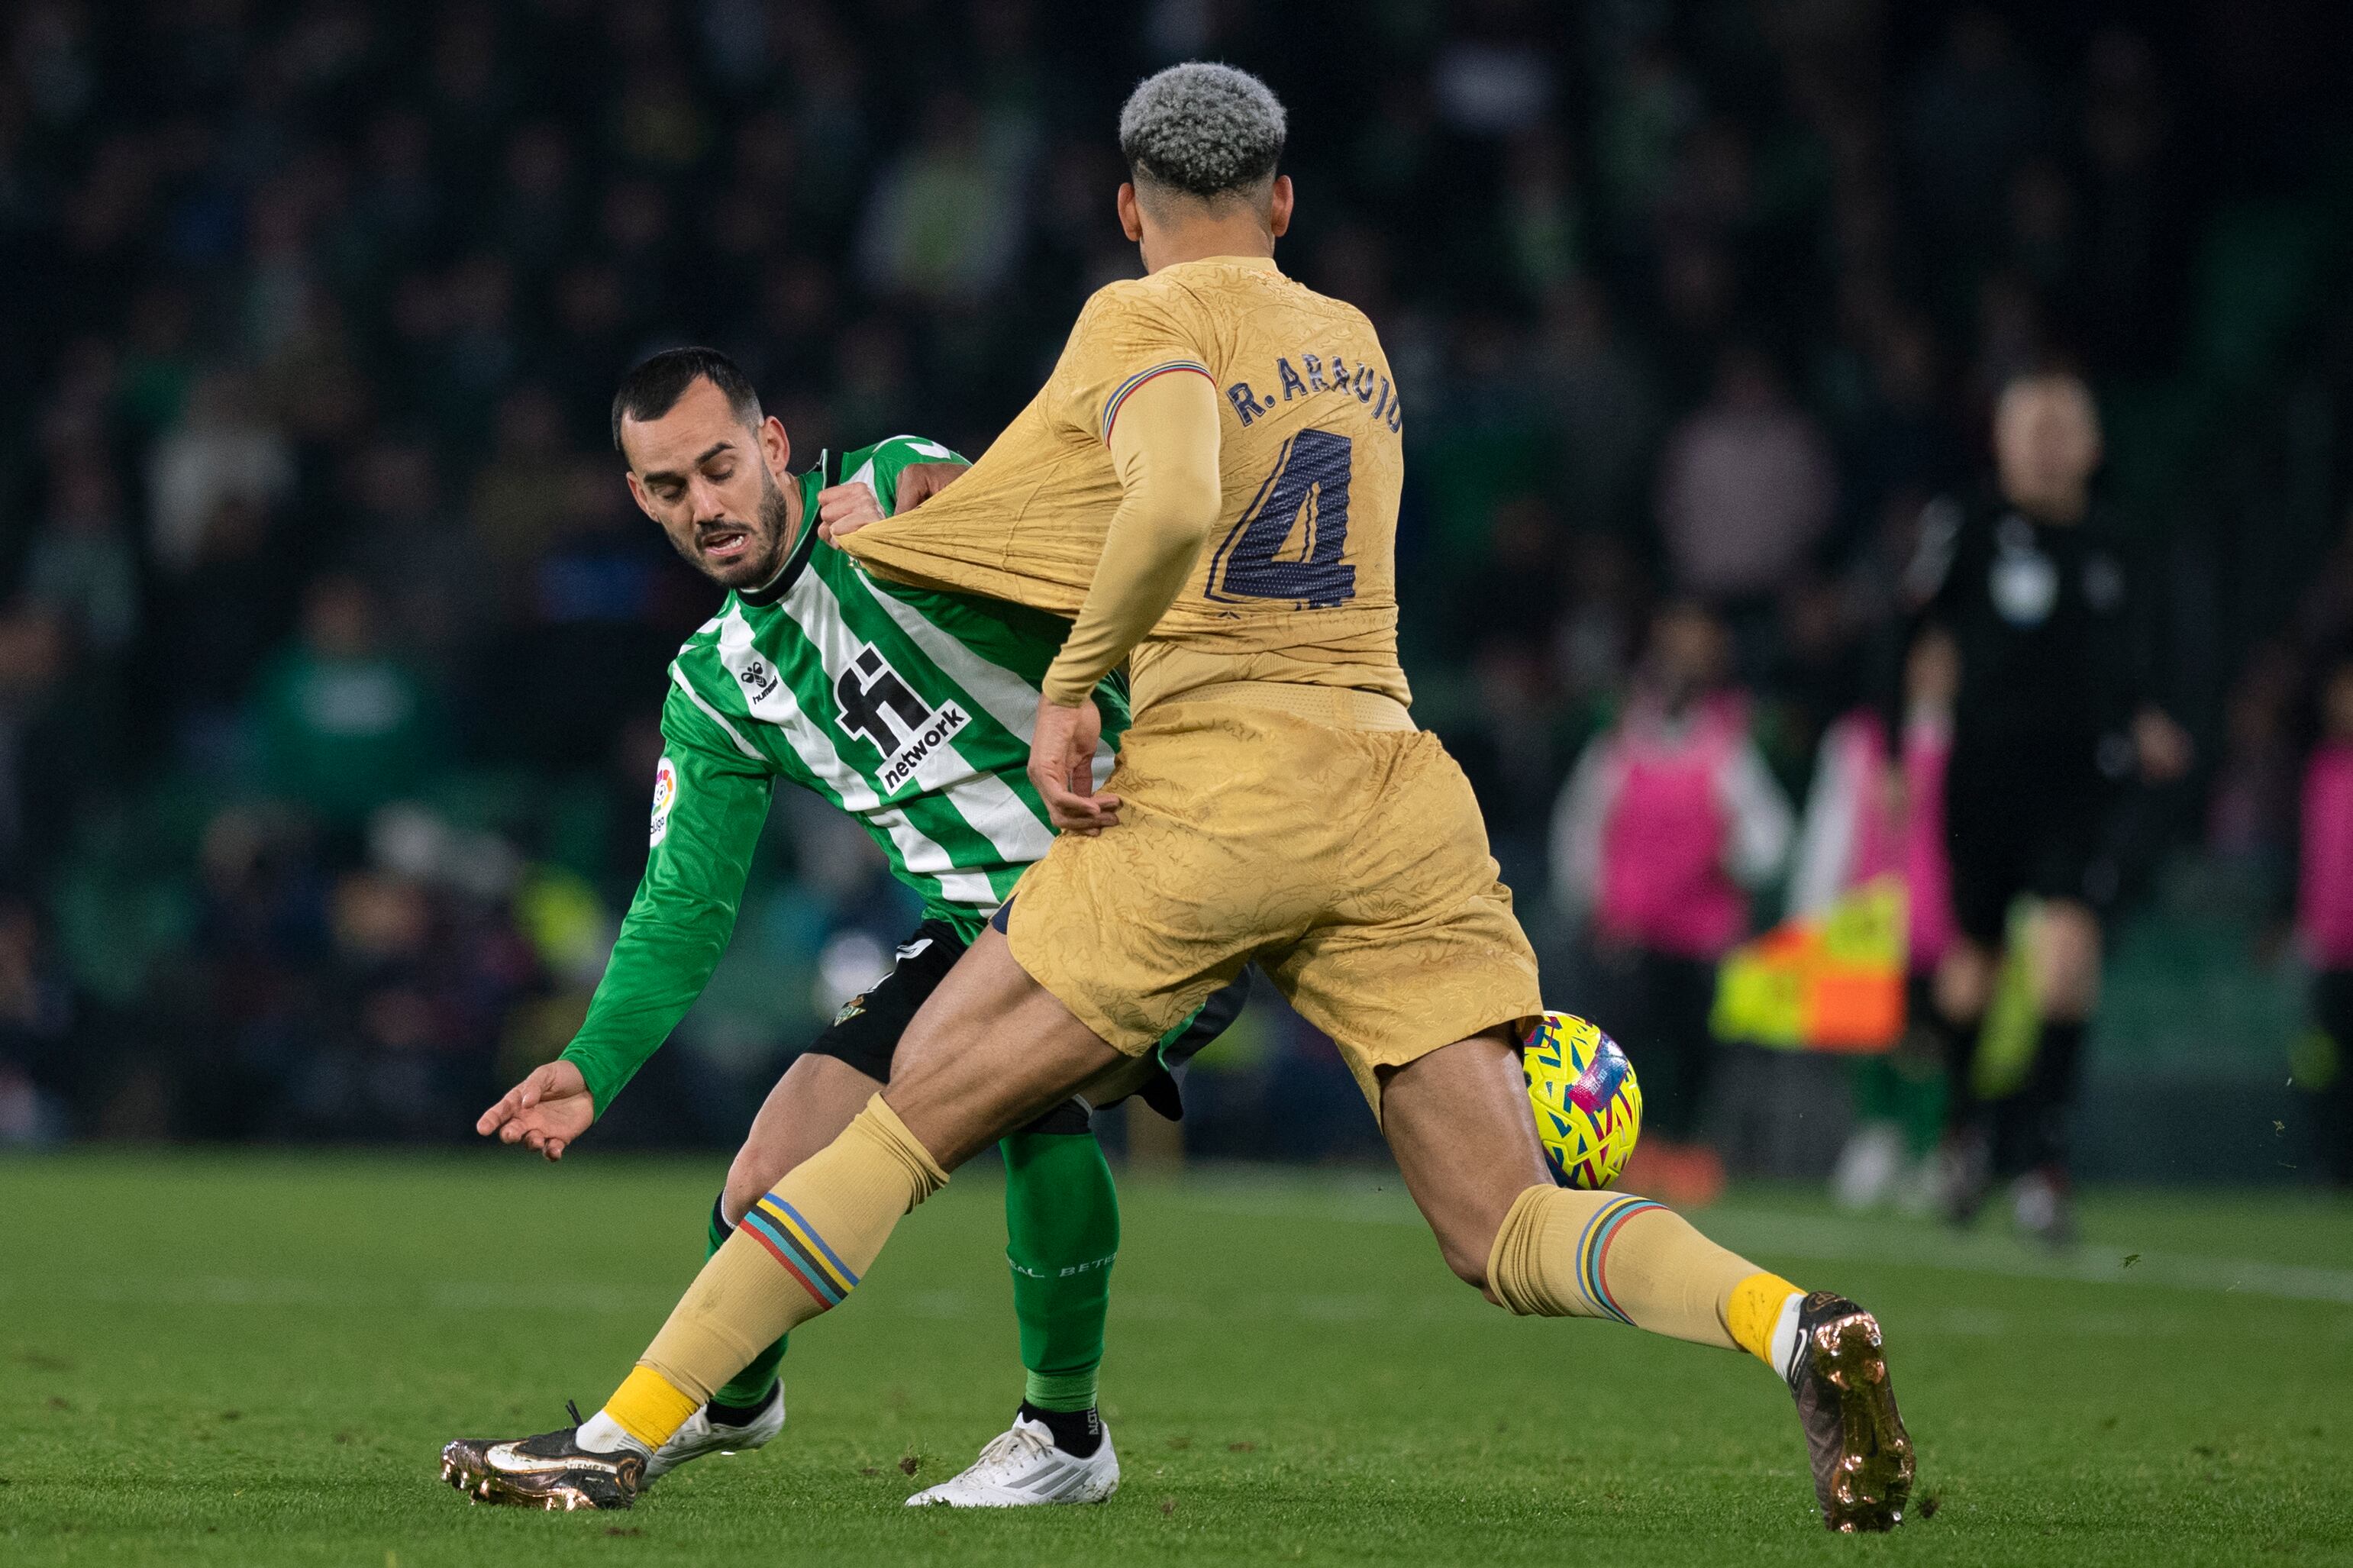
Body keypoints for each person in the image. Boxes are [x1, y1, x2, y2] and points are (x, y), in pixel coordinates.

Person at [442, 63, 1915, 1533]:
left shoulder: (1135, 317)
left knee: (895, 1128)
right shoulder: (1351, 340)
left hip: (1208, 797)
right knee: (1507, 1224)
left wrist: (1075, 680)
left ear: (1127, 208)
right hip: (1395, 783)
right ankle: (1793, 1322)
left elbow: (1160, 500)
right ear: (1281, 200)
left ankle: (620, 1439)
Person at [471, 346, 1244, 1506]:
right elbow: (684, 903)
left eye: (720, 467)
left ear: (773, 445)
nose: (706, 506)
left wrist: (940, 495)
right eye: (671, 489)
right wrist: (593, 1062)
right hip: (976, 926)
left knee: (1030, 1096)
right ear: (639, 498)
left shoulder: (885, 495)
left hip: (1137, 869)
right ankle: (732, 1399)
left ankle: (1065, 1433)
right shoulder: (716, 684)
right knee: (763, 1181)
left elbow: (1020, 503)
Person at [1902, 369, 2190, 1242]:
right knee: (1973, 970)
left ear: (2093, 445)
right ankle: (1960, 1133)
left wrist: (2148, 715)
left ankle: (2042, 1162)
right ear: (2000, 439)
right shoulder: (1969, 531)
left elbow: (2140, 653)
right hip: (1985, 779)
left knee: (2066, 958)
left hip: (2077, 784)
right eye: (2032, 424)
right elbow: (1904, 633)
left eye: (2065, 424)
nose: (2047, 441)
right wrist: (1889, 745)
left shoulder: (2118, 543)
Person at [1550, 599, 1794, 1205]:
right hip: (1630, 936)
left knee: (1694, 1051)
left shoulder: (1724, 749)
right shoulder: (1622, 743)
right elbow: (1580, 827)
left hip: (1700, 938)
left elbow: (1769, 835)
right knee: (1624, 1051)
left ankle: (1688, 1151)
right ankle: (1633, 1149)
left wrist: (1731, 858)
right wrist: (1589, 900)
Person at [1789, 631, 1961, 1209]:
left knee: (1934, 1038)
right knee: (1871, 1035)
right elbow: (1830, 825)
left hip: (1943, 918)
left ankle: (1934, 1148)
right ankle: (1879, 1136)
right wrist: (1812, 911)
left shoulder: (1970, 738)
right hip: (1869, 916)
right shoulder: (1858, 739)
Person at [2298, 650, 2353, 1185]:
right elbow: (2308, 858)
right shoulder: (2319, 770)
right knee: (2323, 1065)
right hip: (2329, 949)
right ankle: (2327, 1168)